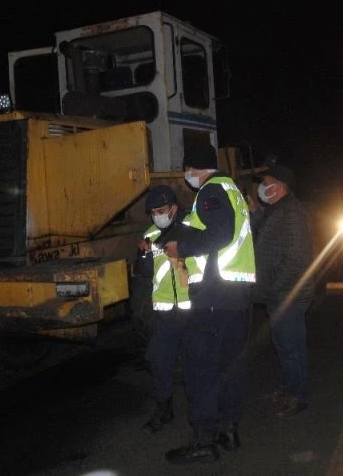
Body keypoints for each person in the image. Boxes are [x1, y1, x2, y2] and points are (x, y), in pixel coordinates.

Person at [162, 143, 256, 464]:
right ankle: (229, 431)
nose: (186, 176)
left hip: (215, 296)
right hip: (234, 294)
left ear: (194, 168)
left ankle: (203, 439)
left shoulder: (211, 191)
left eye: (187, 170)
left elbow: (220, 235)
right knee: (230, 365)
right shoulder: (232, 189)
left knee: (200, 368)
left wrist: (181, 246)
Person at [248, 163, 315, 418]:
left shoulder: (293, 214)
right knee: (283, 344)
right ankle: (288, 388)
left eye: (266, 184)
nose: (262, 188)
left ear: (279, 186)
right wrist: (255, 211)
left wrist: (270, 286)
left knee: (291, 346)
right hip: (279, 294)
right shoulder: (276, 209)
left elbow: (296, 261)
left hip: (288, 294)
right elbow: (261, 232)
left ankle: (297, 397)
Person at [136, 184, 191, 434]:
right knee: (158, 359)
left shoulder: (191, 228)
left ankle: (202, 411)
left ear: (173, 208)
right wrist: (145, 255)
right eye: (153, 212)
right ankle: (164, 409)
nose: (156, 215)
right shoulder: (150, 235)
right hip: (166, 313)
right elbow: (145, 274)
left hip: (192, 309)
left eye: (161, 210)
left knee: (197, 363)